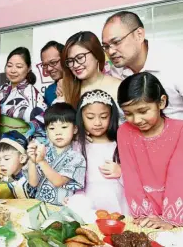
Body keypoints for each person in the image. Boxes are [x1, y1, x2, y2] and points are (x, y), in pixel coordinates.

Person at [117, 72, 183, 228]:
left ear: (161, 102)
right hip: (145, 212)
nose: (137, 120)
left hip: (178, 208)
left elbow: (178, 175)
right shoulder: (124, 132)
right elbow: (131, 175)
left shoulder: (180, 130)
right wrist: (145, 215)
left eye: (143, 111)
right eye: (128, 114)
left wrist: (170, 220)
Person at [102, 11, 183, 120]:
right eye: (106, 46)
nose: (110, 51)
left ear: (139, 35)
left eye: (116, 42)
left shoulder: (175, 60)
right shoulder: (115, 71)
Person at [72, 90, 128, 214]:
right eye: (90, 117)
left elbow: (138, 175)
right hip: (89, 204)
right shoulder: (77, 145)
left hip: (119, 203)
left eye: (103, 117)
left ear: (112, 116)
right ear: (81, 117)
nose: (97, 123)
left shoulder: (120, 143)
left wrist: (121, 171)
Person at [27, 103, 86, 206]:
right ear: (46, 131)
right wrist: (32, 161)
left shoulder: (76, 158)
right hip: (39, 206)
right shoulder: (43, 151)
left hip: (62, 209)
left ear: (75, 129)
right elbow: (33, 183)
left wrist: (41, 161)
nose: (58, 132)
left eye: (64, 127)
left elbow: (58, 181)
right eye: (52, 128)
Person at [58, 31, 122, 110]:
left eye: (80, 57)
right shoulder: (67, 90)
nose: (75, 65)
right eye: (70, 61)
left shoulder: (118, 87)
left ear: (96, 55)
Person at [0, 47, 47, 141]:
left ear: (28, 68)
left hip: (21, 144)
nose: (13, 70)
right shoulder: (1, 90)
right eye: (9, 65)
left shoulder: (34, 94)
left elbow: (43, 122)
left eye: (19, 66)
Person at [0, 130, 36, 199]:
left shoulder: (30, 176)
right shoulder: (9, 177)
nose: (1, 164)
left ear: (22, 158)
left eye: (7, 159)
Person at [40, 41, 65, 106]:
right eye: (45, 65)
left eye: (53, 62)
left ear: (65, 59)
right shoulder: (49, 91)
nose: (49, 69)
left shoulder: (81, 84)